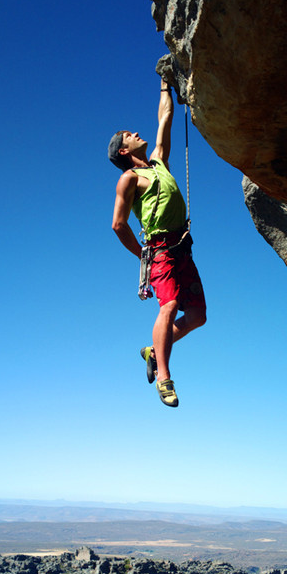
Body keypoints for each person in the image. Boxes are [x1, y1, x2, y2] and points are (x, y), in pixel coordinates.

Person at [108, 80, 206, 408]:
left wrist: (165, 85)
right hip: (160, 249)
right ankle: (164, 376)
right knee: (169, 305)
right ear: (124, 151)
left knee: (198, 315)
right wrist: (142, 256)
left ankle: (153, 350)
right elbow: (118, 225)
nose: (136, 133)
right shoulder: (130, 179)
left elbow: (165, 120)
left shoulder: (158, 162)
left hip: (182, 248)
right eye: (129, 135)